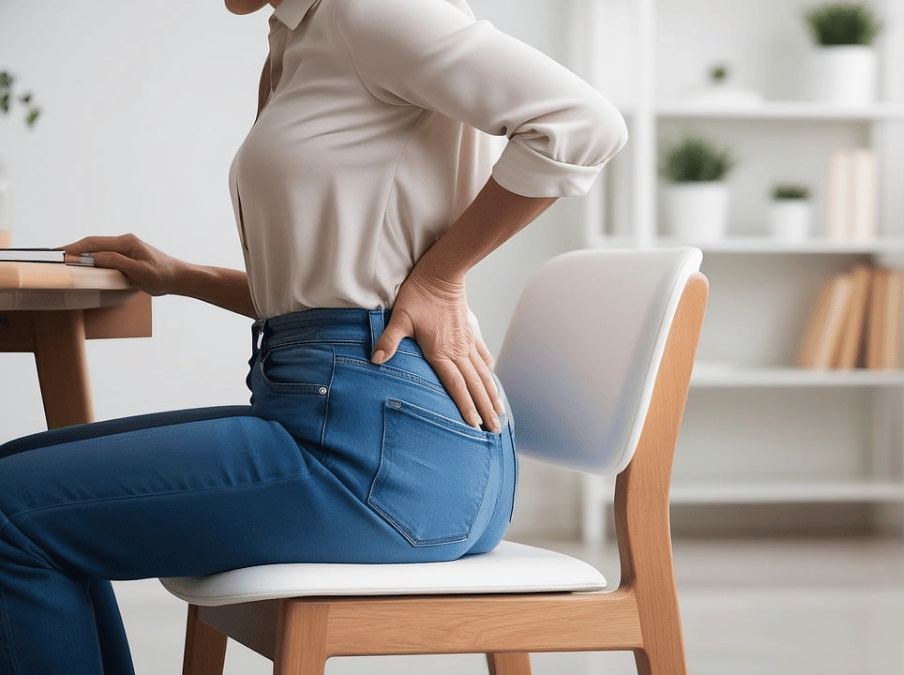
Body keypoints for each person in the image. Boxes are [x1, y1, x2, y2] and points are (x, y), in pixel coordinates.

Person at [0, 0, 627, 671]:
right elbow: (335, 286)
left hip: (384, 452)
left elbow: (584, 123)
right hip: (375, 429)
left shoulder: (375, 10)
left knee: (11, 511)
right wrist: (180, 275)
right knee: (15, 481)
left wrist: (443, 276)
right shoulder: (298, 41)